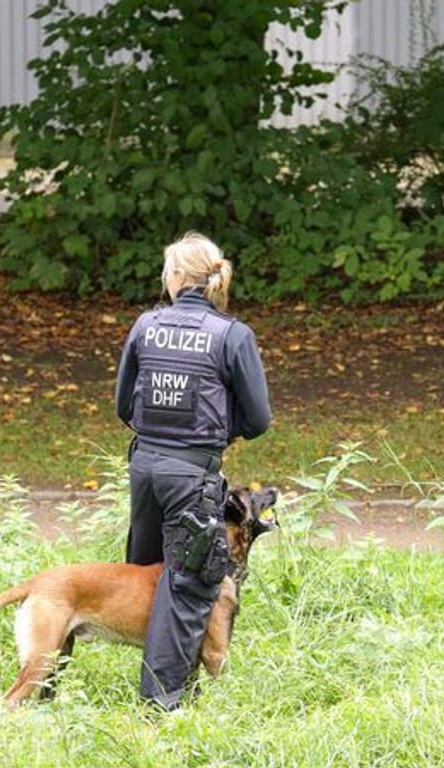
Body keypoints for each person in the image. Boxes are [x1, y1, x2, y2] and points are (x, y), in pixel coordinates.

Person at [114, 231, 272, 710]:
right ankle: (161, 707)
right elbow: (259, 419)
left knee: (149, 572)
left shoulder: (146, 326)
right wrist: (221, 432)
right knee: (187, 586)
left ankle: (167, 682)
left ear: (179, 277)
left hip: (144, 470)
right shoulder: (232, 335)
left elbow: (124, 404)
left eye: (168, 271)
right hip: (193, 475)